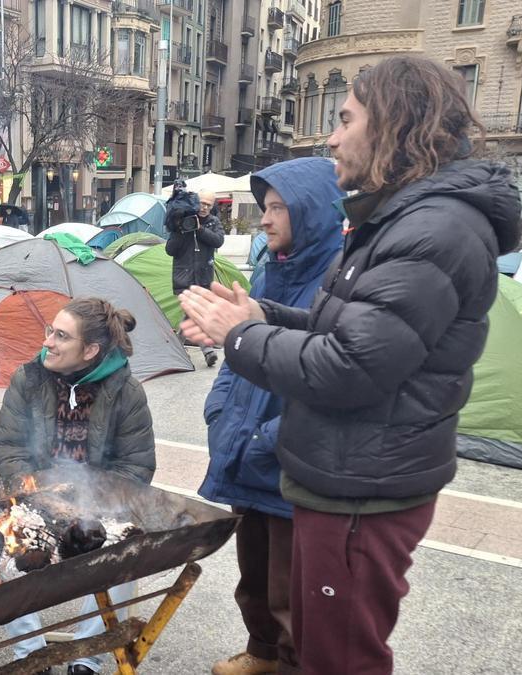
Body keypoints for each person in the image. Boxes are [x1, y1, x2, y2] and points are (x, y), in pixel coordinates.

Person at [180, 56, 521, 674]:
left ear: (393, 123)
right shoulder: (402, 218)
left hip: (364, 489)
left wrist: (239, 337)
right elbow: (351, 331)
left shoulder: (433, 228)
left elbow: (352, 367)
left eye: (345, 119)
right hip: (342, 478)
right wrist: (263, 316)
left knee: (340, 660)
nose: (332, 138)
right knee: (315, 649)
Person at [201, 158, 344, 675]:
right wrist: (219, 412)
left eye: (278, 207)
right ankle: (261, 654)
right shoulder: (270, 270)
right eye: (264, 207)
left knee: (292, 593)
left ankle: (288, 664)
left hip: (288, 458)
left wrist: (273, 435)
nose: (264, 218)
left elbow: (333, 378)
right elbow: (240, 352)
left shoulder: (334, 281)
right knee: (254, 577)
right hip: (247, 450)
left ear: (311, 212)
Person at [0, 297, 155, 675]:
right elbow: (10, 446)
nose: (47, 341)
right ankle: (30, 656)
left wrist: (89, 506)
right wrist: (37, 496)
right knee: (3, 548)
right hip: (36, 499)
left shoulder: (126, 392)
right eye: (51, 330)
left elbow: (136, 467)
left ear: (91, 349)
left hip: (99, 505)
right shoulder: (28, 378)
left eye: (61, 336)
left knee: (123, 554)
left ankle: (88, 658)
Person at [166, 189, 225, 367]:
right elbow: (170, 250)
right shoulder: (182, 222)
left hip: (204, 277)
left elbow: (218, 241)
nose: (204, 207)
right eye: (202, 203)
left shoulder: (213, 222)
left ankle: (176, 346)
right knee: (195, 312)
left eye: (208, 204)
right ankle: (207, 350)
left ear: (212, 206)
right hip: (183, 277)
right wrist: (180, 230)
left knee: (192, 313)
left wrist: (199, 230)